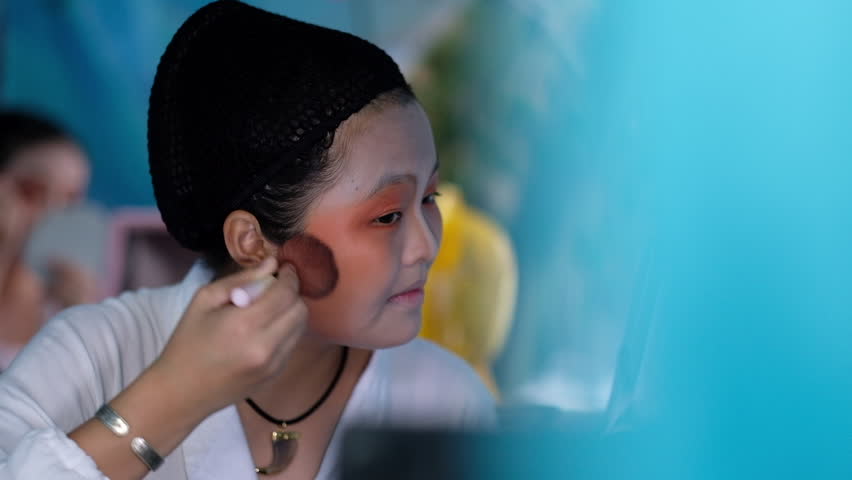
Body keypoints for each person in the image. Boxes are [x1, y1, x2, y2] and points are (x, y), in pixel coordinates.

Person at [0, 1, 496, 479]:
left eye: (429, 199)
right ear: (252, 242)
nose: (427, 246)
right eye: (388, 216)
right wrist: (175, 396)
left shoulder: (444, 402)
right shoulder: (91, 357)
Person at [0, 110, 97, 371]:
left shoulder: (62, 302)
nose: (50, 211)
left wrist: (80, 319)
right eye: (32, 191)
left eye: (69, 200)